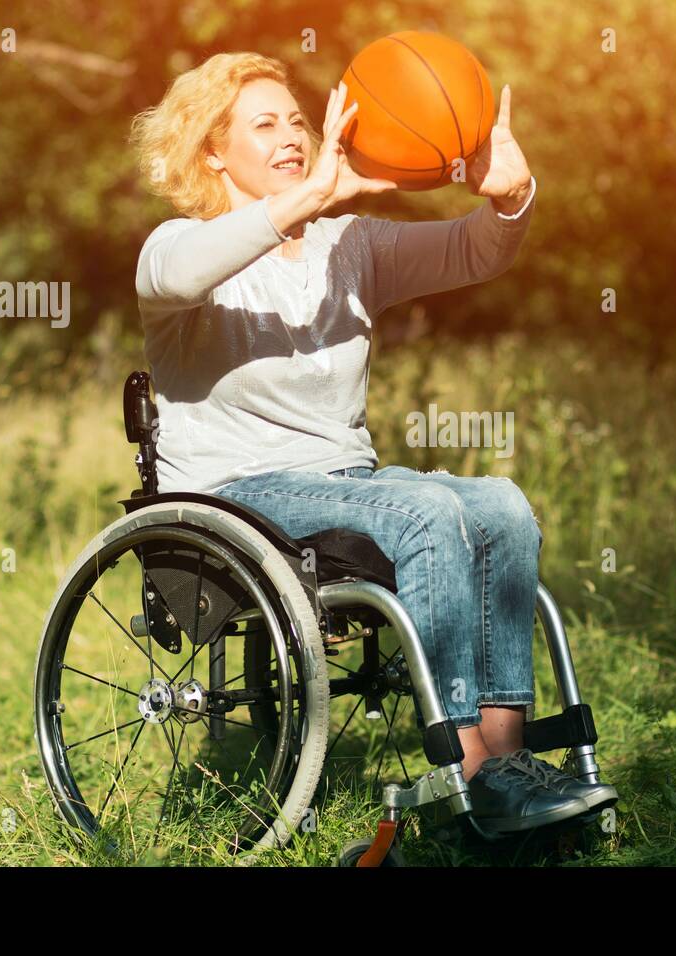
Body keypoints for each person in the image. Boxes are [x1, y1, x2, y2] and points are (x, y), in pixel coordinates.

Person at [131, 52, 614, 832]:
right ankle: (470, 770)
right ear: (212, 151)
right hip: (235, 491)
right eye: (265, 124)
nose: (291, 135)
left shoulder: (346, 245)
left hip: (343, 480)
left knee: (502, 506)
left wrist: (512, 196)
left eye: (297, 119)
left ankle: (507, 763)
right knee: (424, 513)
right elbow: (180, 279)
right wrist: (305, 200)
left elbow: (476, 249)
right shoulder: (177, 247)